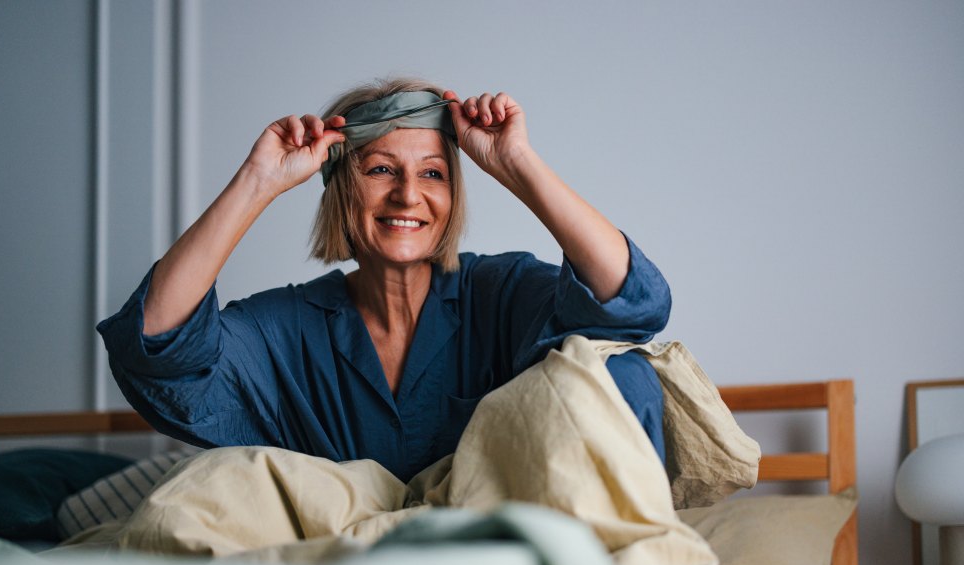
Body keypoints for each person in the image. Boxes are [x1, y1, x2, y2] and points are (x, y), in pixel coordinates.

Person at [98, 77, 670, 484]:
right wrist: (257, 182)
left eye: (432, 173)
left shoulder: (499, 290)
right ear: (343, 188)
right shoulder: (287, 328)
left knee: (624, 375)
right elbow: (156, 346)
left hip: (503, 556)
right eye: (379, 169)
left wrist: (516, 163)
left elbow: (630, 300)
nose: (407, 194)